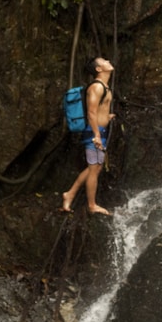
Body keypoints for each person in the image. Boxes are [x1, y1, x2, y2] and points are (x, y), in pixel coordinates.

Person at [61, 57, 115, 215]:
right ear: (99, 69)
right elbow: (91, 112)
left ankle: (69, 194)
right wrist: (96, 135)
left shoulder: (104, 87)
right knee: (94, 168)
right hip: (94, 132)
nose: (107, 60)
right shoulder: (96, 88)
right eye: (103, 60)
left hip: (99, 131)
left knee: (96, 166)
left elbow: (98, 110)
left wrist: (107, 116)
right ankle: (92, 205)